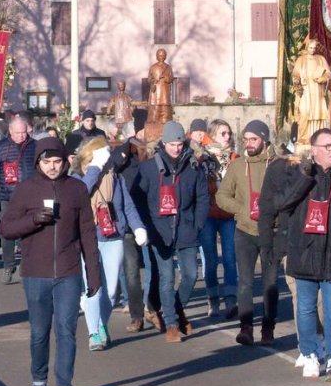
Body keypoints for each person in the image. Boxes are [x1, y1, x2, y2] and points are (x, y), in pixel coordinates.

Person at [1, 137, 101, 386]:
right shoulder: (26, 189)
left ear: (66, 161)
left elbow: (88, 235)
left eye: (57, 161)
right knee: (38, 331)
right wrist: (34, 220)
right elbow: (6, 228)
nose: (53, 167)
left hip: (68, 271)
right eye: (47, 162)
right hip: (36, 272)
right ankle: (38, 381)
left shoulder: (77, 189)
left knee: (66, 331)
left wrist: (94, 273)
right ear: (38, 163)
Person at [273, 127, 331, 379]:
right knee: (305, 307)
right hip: (305, 252)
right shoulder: (298, 172)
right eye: (327, 146)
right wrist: (304, 178)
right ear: (314, 150)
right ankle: (309, 352)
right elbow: (282, 203)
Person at [130, 120, 208, 342]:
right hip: (159, 229)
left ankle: (176, 310)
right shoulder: (148, 167)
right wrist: (145, 224)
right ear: (164, 143)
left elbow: (202, 198)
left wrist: (197, 224)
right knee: (166, 276)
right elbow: (137, 197)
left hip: (186, 228)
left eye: (180, 143)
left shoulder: (194, 167)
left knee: (191, 275)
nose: (177, 148)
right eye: (172, 144)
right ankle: (172, 324)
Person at [74, 138, 148, 351]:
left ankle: (101, 323)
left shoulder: (115, 178)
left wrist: (138, 228)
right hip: (89, 237)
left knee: (112, 291)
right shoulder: (78, 178)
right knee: (93, 289)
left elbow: (128, 207)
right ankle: (94, 332)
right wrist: (94, 169)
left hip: (113, 236)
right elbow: (80, 194)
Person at [216, 119, 282, 345]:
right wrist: (241, 210)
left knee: (270, 282)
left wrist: (278, 214)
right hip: (244, 230)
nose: (248, 143)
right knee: (244, 282)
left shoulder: (278, 165)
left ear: (264, 139)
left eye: (253, 139)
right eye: (245, 139)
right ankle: (245, 327)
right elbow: (221, 196)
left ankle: (268, 327)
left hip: (271, 231)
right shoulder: (237, 166)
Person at [0, 113, 38, 282]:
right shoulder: (0, 148)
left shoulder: (35, 146)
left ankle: (29, 266)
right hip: (8, 196)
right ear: (10, 131)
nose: (21, 136)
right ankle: (8, 264)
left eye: (24, 132)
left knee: (30, 231)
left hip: (31, 196)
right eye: (18, 133)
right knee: (7, 232)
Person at [196, 118, 238, 319]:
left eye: (229, 133)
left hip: (229, 215)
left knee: (230, 259)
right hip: (209, 215)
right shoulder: (202, 159)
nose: (227, 137)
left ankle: (231, 299)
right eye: (223, 133)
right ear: (212, 136)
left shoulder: (234, 158)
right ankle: (213, 299)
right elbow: (199, 188)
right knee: (211, 260)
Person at [291, 38, 331, 149]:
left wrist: (323, 79)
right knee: (304, 113)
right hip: (306, 91)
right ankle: (304, 138)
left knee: (318, 114)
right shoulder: (301, 60)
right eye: (310, 47)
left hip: (317, 91)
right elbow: (295, 75)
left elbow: (329, 74)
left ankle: (318, 138)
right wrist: (298, 82)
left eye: (314, 48)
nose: (312, 50)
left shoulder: (320, 59)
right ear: (307, 47)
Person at [147, 49, 174, 124]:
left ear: (165, 56)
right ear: (156, 56)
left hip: (165, 93)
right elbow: (149, 78)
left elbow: (171, 78)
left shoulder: (168, 67)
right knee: (154, 115)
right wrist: (152, 81)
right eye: (159, 55)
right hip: (155, 93)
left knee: (166, 114)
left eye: (163, 55)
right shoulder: (153, 67)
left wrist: (166, 78)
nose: (161, 57)